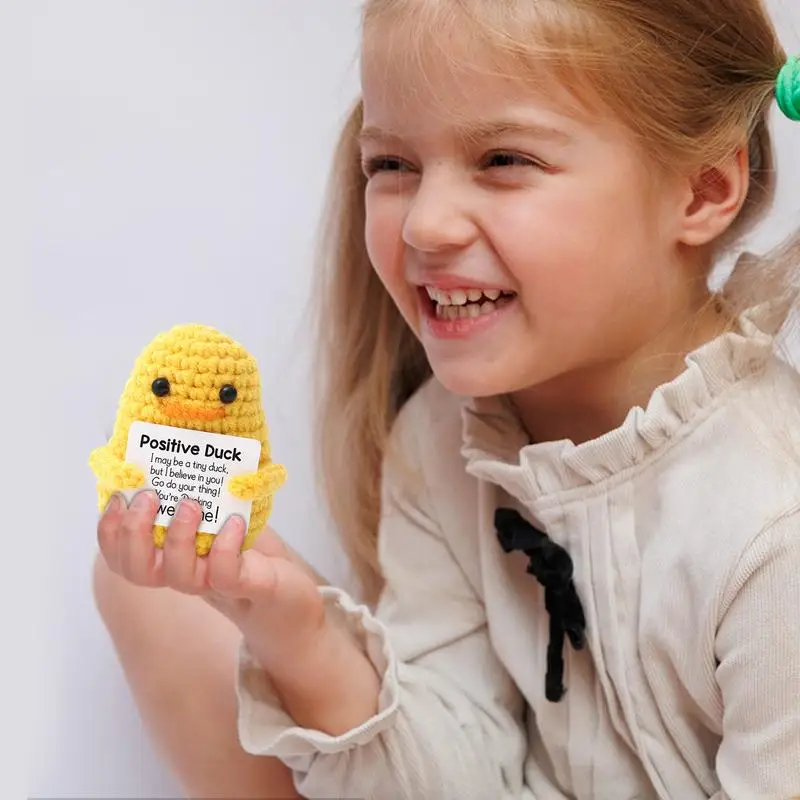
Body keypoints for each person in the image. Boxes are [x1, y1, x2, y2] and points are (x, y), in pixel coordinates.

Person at [92, 1, 800, 798]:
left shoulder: (774, 521)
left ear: (703, 189)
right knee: (153, 591)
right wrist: (298, 634)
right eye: (392, 165)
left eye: (504, 159)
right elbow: (450, 779)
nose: (424, 226)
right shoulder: (440, 437)